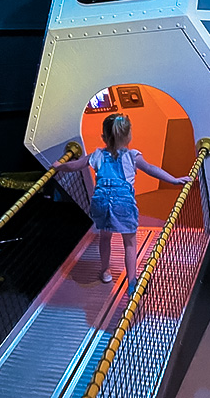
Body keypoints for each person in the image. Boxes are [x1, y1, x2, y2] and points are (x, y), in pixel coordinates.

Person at [52, 113, 191, 295]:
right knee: (130, 243)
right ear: (129, 136)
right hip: (122, 204)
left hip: (100, 202)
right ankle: (132, 282)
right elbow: (151, 169)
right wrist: (173, 179)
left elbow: (74, 165)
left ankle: (105, 271)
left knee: (105, 237)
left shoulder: (97, 155)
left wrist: (58, 166)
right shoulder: (133, 156)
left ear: (103, 137)